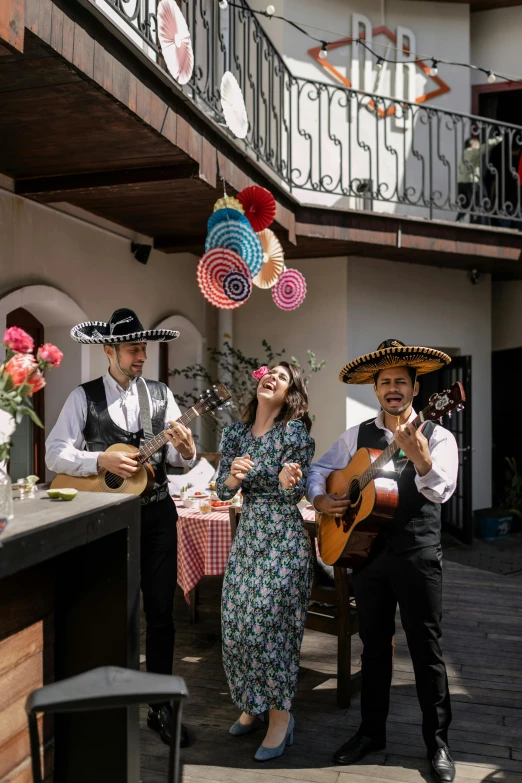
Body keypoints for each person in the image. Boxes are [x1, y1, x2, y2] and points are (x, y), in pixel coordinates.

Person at [307, 340, 459, 782]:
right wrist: (322, 497)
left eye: (401, 381)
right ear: (375, 389)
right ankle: (371, 733)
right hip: (367, 557)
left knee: (426, 651)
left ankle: (438, 743)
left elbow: (441, 490)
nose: (393, 389)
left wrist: (421, 459)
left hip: (417, 556)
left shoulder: (438, 434)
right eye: (385, 382)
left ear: (416, 387)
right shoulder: (357, 436)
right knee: (373, 649)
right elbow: (319, 469)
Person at [46, 308, 196, 748]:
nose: (141, 356)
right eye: (133, 348)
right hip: (106, 519)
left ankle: (159, 708)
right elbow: (55, 454)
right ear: (108, 350)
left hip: (156, 515)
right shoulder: (82, 397)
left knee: (162, 613)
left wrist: (185, 450)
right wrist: (99, 460)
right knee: (110, 610)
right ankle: (105, 706)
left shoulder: (161, 395)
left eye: (144, 348)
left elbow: (176, 462)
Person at [216, 362, 315, 762]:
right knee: (236, 622)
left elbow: (298, 492)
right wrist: (232, 480)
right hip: (248, 536)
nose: (272, 377)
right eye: (270, 372)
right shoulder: (235, 433)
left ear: (289, 393)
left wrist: (290, 483)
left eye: (283, 377)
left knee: (270, 628)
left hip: (283, 540)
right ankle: (253, 702)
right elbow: (222, 491)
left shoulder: (294, 432)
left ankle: (280, 716)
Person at [456, 132, 502, 224]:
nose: (479, 146)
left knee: (465, 204)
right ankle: (480, 223)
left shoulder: (464, 154)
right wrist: (498, 139)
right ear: (473, 145)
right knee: (480, 202)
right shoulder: (472, 151)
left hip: (461, 182)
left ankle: (458, 222)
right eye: (477, 144)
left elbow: (460, 167)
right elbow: (485, 147)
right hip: (472, 181)